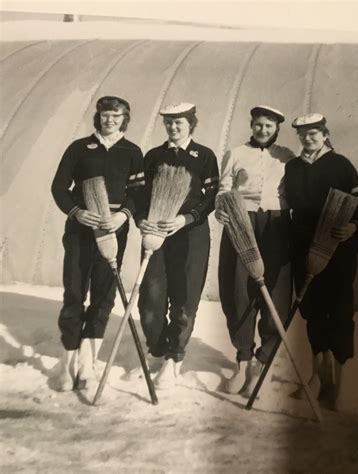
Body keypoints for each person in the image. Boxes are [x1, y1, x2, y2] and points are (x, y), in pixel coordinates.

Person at [50, 96, 144, 391]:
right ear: (98, 117)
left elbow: (139, 192)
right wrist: (77, 212)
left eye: (116, 116)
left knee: (103, 295)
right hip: (81, 229)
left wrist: (123, 216)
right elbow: (59, 187)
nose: (110, 120)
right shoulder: (80, 148)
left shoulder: (132, 151)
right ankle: (67, 364)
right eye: (105, 115)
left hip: (113, 229)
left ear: (124, 118)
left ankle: (87, 365)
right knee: (75, 293)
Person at [285, 113, 358, 410]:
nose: (308, 138)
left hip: (337, 250)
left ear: (325, 134)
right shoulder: (293, 167)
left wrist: (353, 227)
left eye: (314, 133)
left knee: (339, 312)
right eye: (304, 134)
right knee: (312, 311)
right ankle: (318, 377)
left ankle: (339, 384)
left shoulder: (341, 165)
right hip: (304, 248)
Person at [136, 102, 219, 390]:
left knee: (184, 300)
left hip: (191, 235)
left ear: (190, 124)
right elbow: (137, 194)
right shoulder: (153, 156)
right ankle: (156, 352)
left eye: (179, 122)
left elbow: (210, 198)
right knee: (150, 299)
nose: (173, 127)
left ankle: (174, 358)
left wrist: (186, 218)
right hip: (157, 233)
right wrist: (140, 219)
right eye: (169, 122)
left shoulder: (204, 156)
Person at [215, 105, 295, 396]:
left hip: (276, 224)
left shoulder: (287, 156)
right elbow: (224, 190)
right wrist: (221, 211)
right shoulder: (235, 153)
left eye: (269, 126)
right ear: (252, 125)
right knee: (239, 292)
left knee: (277, 294)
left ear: (277, 129)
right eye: (259, 125)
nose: (263, 130)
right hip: (242, 220)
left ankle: (264, 362)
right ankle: (243, 361)